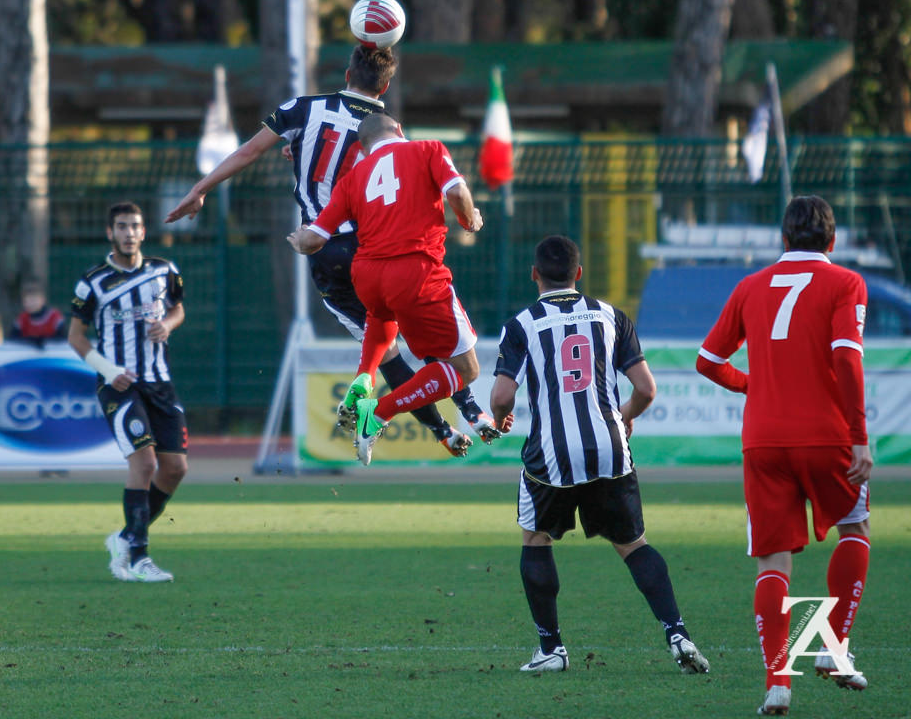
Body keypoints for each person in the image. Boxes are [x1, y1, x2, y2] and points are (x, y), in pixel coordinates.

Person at [164, 44, 495, 458]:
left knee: (386, 349)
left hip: (327, 252)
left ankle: (440, 429)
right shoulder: (392, 135)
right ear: (386, 86)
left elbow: (249, 151)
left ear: (345, 74)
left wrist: (201, 189)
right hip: (374, 244)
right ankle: (468, 407)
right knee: (417, 317)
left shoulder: (303, 108)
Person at [490, 235, 709, 675]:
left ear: (534, 274)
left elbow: (501, 395)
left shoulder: (523, 323)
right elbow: (646, 388)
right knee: (632, 545)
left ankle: (551, 649)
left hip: (551, 456)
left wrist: (500, 419)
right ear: (579, 274)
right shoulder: (612, 316)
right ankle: (677, 633)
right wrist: (625, 415)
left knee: (536, 539)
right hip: (610, 448)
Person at [696, 195, 872, 716]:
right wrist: (859, 434)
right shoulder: (845, 283)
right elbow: (846, 356)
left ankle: (779, 683)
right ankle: (833, 649)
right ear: (832, 242)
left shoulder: (750, 286)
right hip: (828, 435)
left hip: (764, 439)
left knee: (773, 561)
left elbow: (708, 360)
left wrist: (757, 386)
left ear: (784, 240)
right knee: (855, 529)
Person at [288, 113, 489, 466]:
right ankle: (378, 413)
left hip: (368, 277)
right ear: (399, 130)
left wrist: (299, 240)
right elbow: (457, 191)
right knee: (466, 369)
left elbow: (313, 239)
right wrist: (468, 219)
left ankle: (365, 374)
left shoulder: (353, 179)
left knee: (382, 318)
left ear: (363, 147)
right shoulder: (428, 149)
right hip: (415, 272)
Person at [68, 202, 189, 584]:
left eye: (135, 226)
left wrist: (168, 324)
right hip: (119, 385)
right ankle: (138, 556)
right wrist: (109, 370)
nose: (129, 233)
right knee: (145, 463)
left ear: (143, 231)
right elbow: (76, 337)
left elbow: (179, 309)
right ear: (110, 233)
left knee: (175, 469)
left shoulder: (164, 270)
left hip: (160, 381)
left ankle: (124, 537)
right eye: (121, 226)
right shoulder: (93, 282)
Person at [9, 279, 66, 345]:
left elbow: (62, 341)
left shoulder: (55, 318)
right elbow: (13, 341)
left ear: (43, 300)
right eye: (28, 301)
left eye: (34, 300)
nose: (31, 304)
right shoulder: (21, 320)